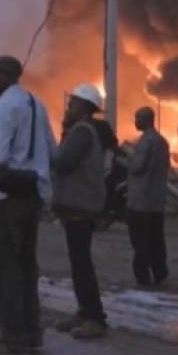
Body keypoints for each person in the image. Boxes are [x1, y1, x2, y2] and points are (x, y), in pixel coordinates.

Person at [0, 55, 56, 355]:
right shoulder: (37, 104)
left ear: (7, 76)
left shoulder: (5, 107)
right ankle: (32, 333)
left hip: (7, 198)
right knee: (26, 267)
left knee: (4, 268)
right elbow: (52, 150)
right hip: (32, 195)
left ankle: (12, 339)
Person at [52, 84, 108, 339]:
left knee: (82, 264)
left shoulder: (81, 132)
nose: (68, 108)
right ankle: (84, 312)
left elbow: (63, 163)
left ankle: (95, 317)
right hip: (79, 205)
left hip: (80, 206)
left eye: (73, 104)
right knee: (78, 262)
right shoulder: (82, 130)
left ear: (85, 108)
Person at [126, 107, 171, 287]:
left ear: (146, 120)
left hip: (140, 202)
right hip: (157, 201)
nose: (135, 122)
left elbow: (137, 167)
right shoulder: (163, 142)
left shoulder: (145, 142)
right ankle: (160, 273)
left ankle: (142, 277)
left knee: (140, 241)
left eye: (137, 118)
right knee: (156, 240)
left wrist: (128, 156)